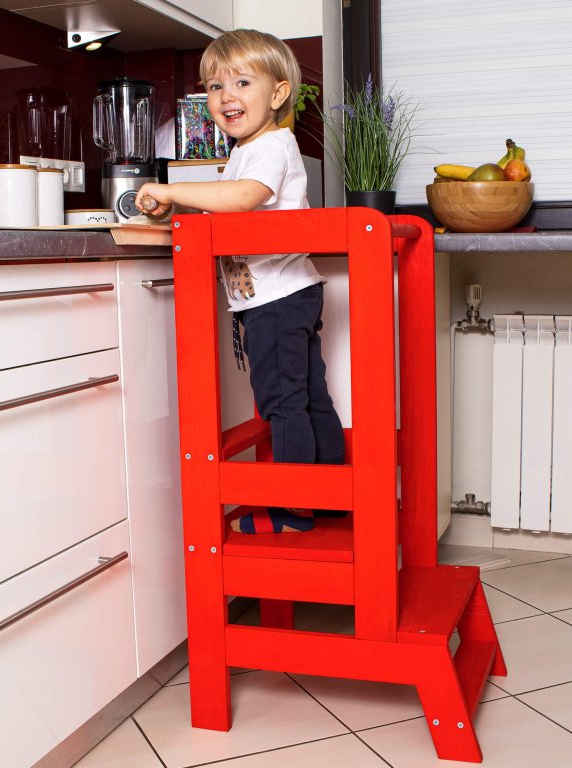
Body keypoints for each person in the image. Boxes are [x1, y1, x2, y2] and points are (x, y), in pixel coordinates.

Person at [137, 29, 345, 534]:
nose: (226, 96)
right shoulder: (247, 150)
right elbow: (229, 208)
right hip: (286, 293)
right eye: (215, 86)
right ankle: (332, 497)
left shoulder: (270, 146)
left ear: (277, 94)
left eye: (242, 82)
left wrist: (172, 191)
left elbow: (245, 198)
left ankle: (289, 509)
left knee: (284, 402)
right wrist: (176, 209)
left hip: (276, 297)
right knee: (308, 397)